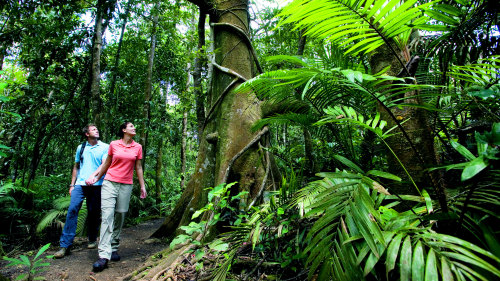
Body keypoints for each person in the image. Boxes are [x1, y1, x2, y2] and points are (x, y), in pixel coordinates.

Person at [88, 121, 147, 272]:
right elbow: (106, 164)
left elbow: (138, 167)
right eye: (131, 126)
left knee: (120, 214)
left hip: (126, 185)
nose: (134, 128)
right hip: (109, 183)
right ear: (124, 130)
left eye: (134, 126)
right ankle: (103, 255)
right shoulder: (114, 144)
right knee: (107, 216)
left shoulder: (138, 147)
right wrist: (97, 178)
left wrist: (142, 186)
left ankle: (114, 246)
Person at [54, 124, 109, 258]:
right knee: (72, 210)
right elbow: (76, 166)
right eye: (93, 129)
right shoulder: (81, 147)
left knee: (93, 213)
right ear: (87, 134)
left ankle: (91, 238)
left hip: (97, 185)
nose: (97, 130)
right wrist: (72, 185)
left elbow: (104, 164)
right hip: (80, 184)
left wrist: (95, 178)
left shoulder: (105, 147)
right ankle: (65, 245)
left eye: (97, 128)